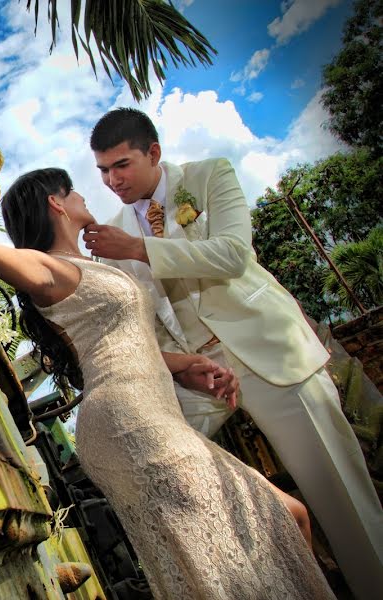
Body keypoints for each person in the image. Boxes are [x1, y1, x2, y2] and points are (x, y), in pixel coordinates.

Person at [0, 168, 332, 599]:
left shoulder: (83, 267)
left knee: (286, 518)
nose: (81, 195)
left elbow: (120, 343)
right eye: (72, 190)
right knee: (225, 548)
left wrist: (185, 364)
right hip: (130, 423)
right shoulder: (49, 268)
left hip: (149, 414)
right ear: (55, 203)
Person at [84, 107, 383, 600]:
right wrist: (183, 369)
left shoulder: (208, 176)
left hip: (267, 354)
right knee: (166, 470)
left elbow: (232, 253)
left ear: (153, 153)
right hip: (199, 378)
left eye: (121, 165)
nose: (112, 180)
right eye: (102, 171)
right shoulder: (115, 228)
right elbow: (145, 317)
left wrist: (139, 248)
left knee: (342, 496)